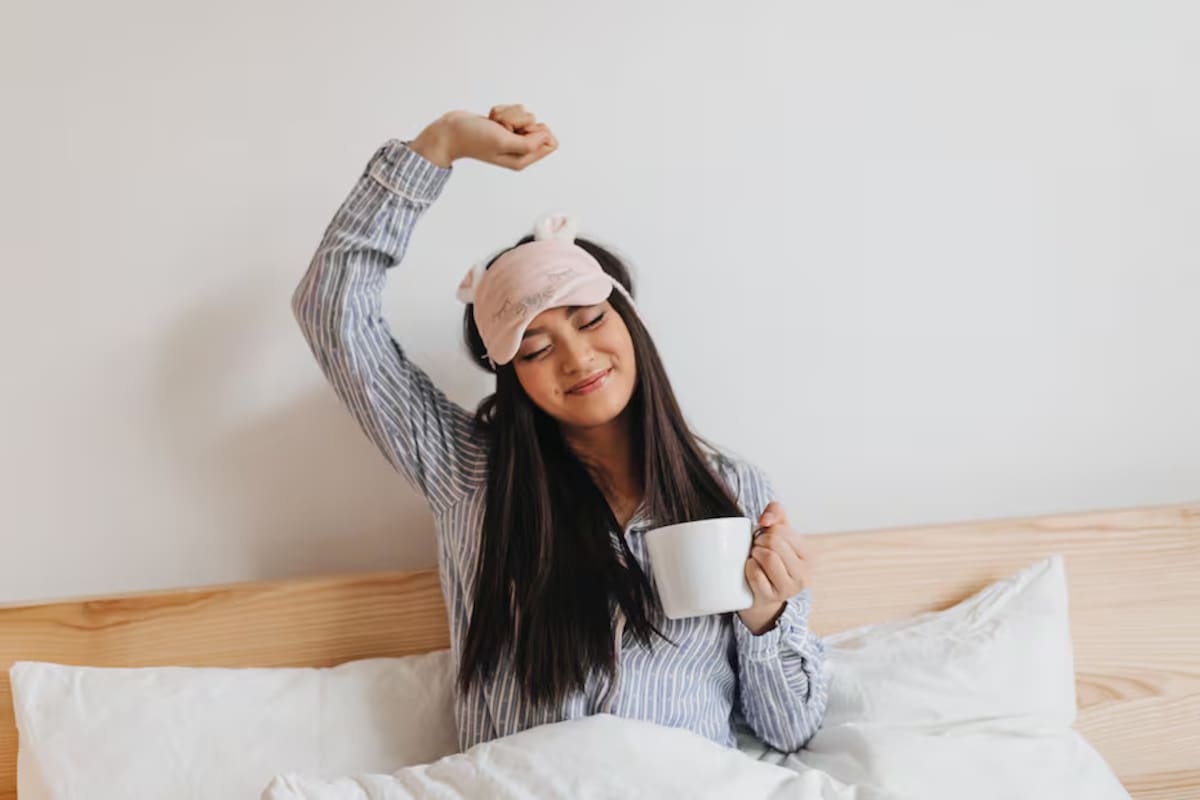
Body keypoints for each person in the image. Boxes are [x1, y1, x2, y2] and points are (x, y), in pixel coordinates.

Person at [290, 104, 828, 754]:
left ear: (630, 322)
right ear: (511, 378)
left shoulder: (732, 486)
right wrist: (441, 144)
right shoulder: (470, 476)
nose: (577, 358)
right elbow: (330, 307)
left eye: (589, 319)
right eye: (535, 349)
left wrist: (767, 612)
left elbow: (790, 731)